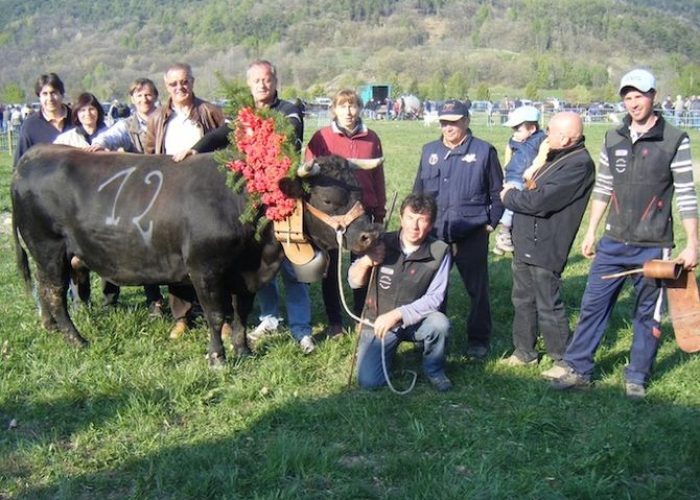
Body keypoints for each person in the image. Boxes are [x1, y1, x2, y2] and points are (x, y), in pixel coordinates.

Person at [547, 69, 698, 399]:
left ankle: (637, 377)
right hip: (612, 243)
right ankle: (579, 369)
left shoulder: (674, 140)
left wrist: (693, 243)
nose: (633, 102)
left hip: (654, 245)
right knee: (592, 306)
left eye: (639, 95)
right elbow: (603, 187)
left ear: (653, 96)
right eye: (627, 96)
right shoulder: (612, 138)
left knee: (647, 315)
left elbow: (686, 192)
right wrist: (590, 232)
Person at [177, 60, 314, 354]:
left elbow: (288, 134)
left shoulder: (289, 111)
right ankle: (269, 317)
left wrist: (257, 139)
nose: (262, 85)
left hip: (283, 200)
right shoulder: (244, 114)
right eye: (256, 81)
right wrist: (197, 148)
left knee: (291, 265)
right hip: (252, 201)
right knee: (259, 260)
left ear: (275, 82)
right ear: (249, 84)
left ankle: (301, 329)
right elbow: (223, 133)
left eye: (267, 80)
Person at [498, 112, 594, 368]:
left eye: (550, 132)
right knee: (522, 299)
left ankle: (563, 358)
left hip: (548, 243)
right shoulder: (551, 154)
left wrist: (508, 198)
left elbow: (540, 201)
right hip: (526, 239)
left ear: (565, 137)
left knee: (548, 303)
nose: (545, 136)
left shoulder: (578, 164)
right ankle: (524, 352)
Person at [413, 99, 504, 359]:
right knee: (432, 289)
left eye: (453, 122)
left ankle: (478, 339)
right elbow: (418, 192)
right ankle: (432, 336)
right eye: (444, 122)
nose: (448, 127)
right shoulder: (429, 151)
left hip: (471, 232)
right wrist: (418, 225)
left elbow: (498, 193)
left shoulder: (485, 151)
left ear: (466, 121)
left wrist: (490, 223)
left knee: (477, 290)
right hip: (436, 234)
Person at [144, 62, 226, 339]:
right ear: (166, 87)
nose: (180, 88)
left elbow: (226, 143)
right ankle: (182, 316)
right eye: (173, 84)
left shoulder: (210, 112)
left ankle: (221, 316)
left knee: (214, 255)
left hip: (207, 193)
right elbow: (149, 152)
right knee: (176, 253)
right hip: (169, 193)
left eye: (184, 82)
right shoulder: (158, 117)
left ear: (192, 81)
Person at [305, 89, 386, 337]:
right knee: (330, 268)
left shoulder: (371, 138)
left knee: (364, 263)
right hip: (333, 214)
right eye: (343, 106)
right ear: (334, 110)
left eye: (353, 106)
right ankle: (335, 321)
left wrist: (379, 209)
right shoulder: (321, 137)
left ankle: (363, 315)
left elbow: (378, 176)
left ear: (360, 109)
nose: (348, 112)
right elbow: (309, 174)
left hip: (363, 211)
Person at [351, 194, 453, 391]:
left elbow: (435, 299)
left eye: (422, 219)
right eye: (410, 217)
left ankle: (435, 370)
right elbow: (353, 282)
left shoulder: (440, 251)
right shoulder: (380, 242)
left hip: (416, 321)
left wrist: (398, 314)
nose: (414, 226)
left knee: (440, 324)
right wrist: (366, 261)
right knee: (370, 383)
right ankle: (386, 356)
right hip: (379, 323)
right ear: (400, 218)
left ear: (430, 224)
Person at [89, 78, 166, 315]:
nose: (145, 99)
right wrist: (99, 145)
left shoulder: (166, 119)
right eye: (139, 95)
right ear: (132, 98)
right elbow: (107, 138)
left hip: (166, 188)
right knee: (123, 239)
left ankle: (160, 299)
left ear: (156, 96)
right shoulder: (127, 125)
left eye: (149, 95)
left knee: (159, 243)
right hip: (136, 192)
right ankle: (111, 298)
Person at [493, 105, 546, 255]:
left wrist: (530, 172)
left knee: (514, 205)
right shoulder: (513, 142)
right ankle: (504, 234)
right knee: (511, 204)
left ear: (532, 129)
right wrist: (504, 175)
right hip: (513, 177)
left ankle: (504, 235)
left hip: (526, 177)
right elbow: (507, 159)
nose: (514, 133)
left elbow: (541, 159)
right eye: (513, 129)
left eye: (518, 129)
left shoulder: (542, 140)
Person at [13, 73, 72, 167]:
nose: (50, 98)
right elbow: (19, 165)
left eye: (54, 93)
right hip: (43, 180)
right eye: (45, 94)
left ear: (61, 94)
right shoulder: (30, 126)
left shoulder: (77, 120)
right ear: (39, 97)